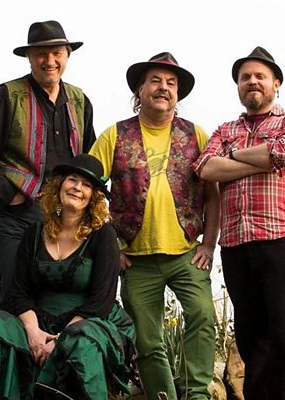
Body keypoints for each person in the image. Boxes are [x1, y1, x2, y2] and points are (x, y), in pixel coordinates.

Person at [0, 154, 135, 400]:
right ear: (60, 185)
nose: (77, 188)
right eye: (72, 180)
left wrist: (61, 340)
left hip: (86, 322)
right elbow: (19, 291)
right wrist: (33, 332)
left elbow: (101, 299)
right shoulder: (34, 232)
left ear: (93, 197)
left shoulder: (103, 235)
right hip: (35, 321)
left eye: (86, 185)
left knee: (81, 342)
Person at [89, 52, 220, 400]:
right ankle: (163, 396)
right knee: (147, 340)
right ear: (140, 89)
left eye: (171, 83)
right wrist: (112, 248)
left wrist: (209, 244)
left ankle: (196, 394)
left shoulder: (196, 135)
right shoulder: (115, 135)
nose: (164, 88)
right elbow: (90, 191)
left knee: (203, 316)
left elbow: (212, 194)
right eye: (156, 81)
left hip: (187, 253)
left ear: (178, 94)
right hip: (135, 258)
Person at [0, 20, 96, 311]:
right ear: (29, 57)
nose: (49, 61)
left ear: (67, 55)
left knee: (58, 298)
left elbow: (88, 158)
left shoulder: (80, 100)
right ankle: (3, 340)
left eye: (57, 53)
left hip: (67, 216)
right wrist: (9, 196)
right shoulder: (7, 95)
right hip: (19, 215)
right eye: (40, 54)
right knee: (15, 295)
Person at [193, 46, 285, 400]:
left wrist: (231, 157)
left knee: (282, 331)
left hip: (278, 239)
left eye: (260, 76)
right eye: (245, 77)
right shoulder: (225, 129)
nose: (252, 82)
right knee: (250, 336)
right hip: (235, 246)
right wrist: (260, 160)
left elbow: (281, 152)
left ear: (276, 83)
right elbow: (206, 168)